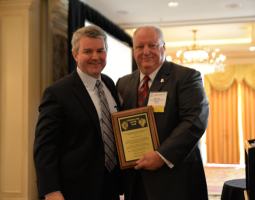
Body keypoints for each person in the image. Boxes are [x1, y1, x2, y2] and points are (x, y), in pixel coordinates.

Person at [116, 26, 209, 200]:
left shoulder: (186, 77)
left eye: (152, 45)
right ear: (134, 49)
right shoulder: (123, 83)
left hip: (175, 180)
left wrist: (162, 155)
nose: (146, 52)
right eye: (139, 47)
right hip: (136, 181)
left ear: (163, 47)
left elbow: (195, 121)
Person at [33, 26, 122, 200]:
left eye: (100, 51)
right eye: (88, 51)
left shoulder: (110, 84)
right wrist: (51, 191)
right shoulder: (58, 92)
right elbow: (44, 148)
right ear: (75, 55)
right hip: (74, 190)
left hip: (111, 187)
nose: (95, 57)